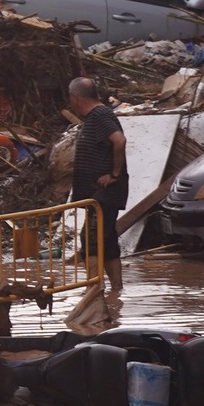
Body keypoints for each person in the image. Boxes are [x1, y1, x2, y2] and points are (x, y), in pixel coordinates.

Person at [69, 76, 128, 304]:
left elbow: (119, 141)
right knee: (108, 241)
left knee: (91, 241)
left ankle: (93, 294)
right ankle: (116, 293)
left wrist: (114, 174)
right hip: (98, 196)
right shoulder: (96, 117)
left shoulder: (100, 115)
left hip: (102, 195)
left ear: (76, 98)